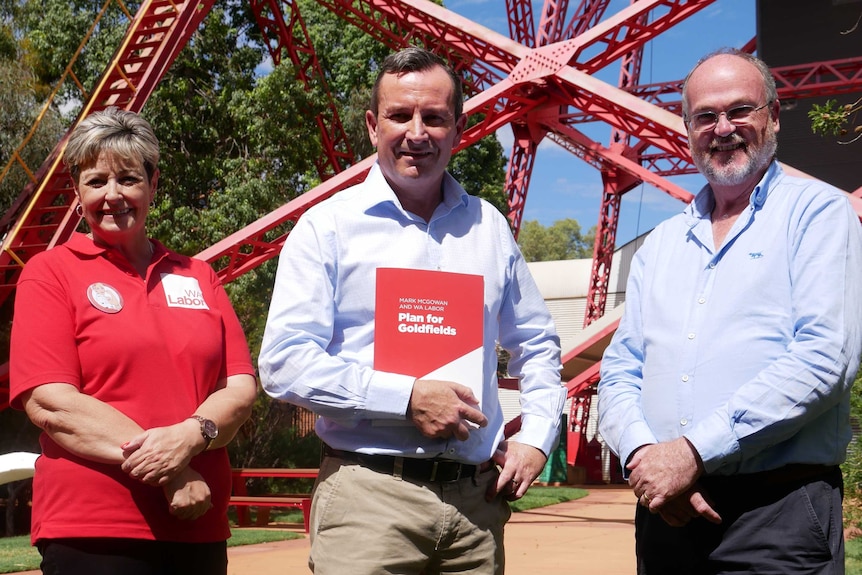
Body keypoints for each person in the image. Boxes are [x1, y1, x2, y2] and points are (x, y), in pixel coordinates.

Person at [258, 46, 565, 574]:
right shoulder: (327, 227)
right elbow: (284, 364)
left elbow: (537, 346)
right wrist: (406, 398)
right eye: (400, 116)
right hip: (369, 500)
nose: (416, 133)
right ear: (374, 125)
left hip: (475, 510)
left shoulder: (489, 228)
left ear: (459, 127)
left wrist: (536, 439)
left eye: (435, 117)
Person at [598, 47, 862, 574]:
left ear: (774, 116)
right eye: (705, 116)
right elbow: (621, 369)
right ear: (687, 129)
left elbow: (824, 359)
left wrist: (692, 452)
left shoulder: (819, 214)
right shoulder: (663, 243)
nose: (723, 128)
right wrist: (643, 457)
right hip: (665, 512)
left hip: (778, 514)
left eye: (740, 110)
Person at [9, 107, 258, 575]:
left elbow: (240, 389)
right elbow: (53, 403)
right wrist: (172, 468)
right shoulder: (51, 273)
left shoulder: (198, 275)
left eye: (127, 178)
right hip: (93, 531)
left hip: (199, 526)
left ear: (153, 183)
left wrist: (191, 436)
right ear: (77, 192)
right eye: (96, 181)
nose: (112, 195)